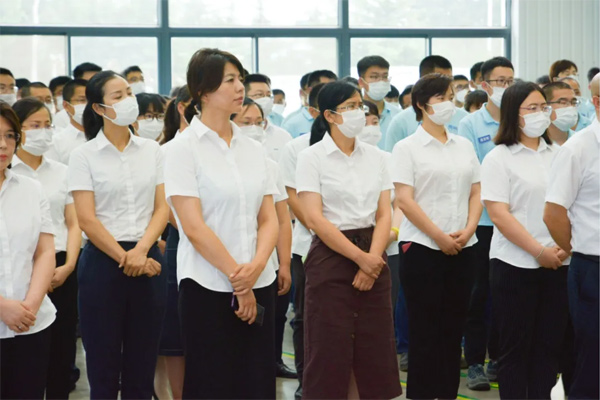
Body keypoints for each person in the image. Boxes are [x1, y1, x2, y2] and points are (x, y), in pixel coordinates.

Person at [164, 48, 279, 399]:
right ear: (202, 91)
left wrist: (256, 267)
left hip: (260, 281)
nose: (240, 87)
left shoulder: (253, 149)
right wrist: (238, 281)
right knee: (211, 384)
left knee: (257, 383)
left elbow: (269, 218)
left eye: (240, 79)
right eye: (229, 80)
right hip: (207, 286)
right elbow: (193, 227)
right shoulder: (182, 149)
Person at [296, 80, 401, 399]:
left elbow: (384, 213)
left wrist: (373, 259)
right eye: (351, 106)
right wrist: (361, 259)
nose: (359, 112)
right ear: (329, 115)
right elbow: (314, 219)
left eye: (360, 106)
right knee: (330, 344)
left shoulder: (378, 157)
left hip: (374, 247)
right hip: (332, 253)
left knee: (374, 345)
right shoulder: (312, 157)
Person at [68, 70, 168, 399]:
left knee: (143, 363)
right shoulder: (83, 155)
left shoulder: (152, 151)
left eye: (129, 92)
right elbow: (87, 218)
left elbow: (162, 208)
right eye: (118, 95)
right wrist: (128, 258)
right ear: (99, 108)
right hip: (102, 262)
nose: (129, 100)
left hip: (148, 257)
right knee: (103, 364)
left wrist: (142, 251)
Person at [391, 73, 482, 399]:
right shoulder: (407, 148)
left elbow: (476, 191)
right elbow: (404, 200)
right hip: (422, 248)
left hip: (464, 246)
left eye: (450, 97)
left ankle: (447, 394)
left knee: (453, 330)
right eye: (441, 98)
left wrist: (469, 229)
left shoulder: (463, 145)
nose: (448, 104)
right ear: (421, 104)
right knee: (424, 332)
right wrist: (439, 236)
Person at [481, 81, 569, 399]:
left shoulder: (559, 154)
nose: (540, 113)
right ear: (513, 114)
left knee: (549, 346)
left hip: (560, 262)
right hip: (514, 263)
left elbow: (572, 205)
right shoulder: (499, 158)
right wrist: (538, 251)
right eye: (532, 108)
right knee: (515, 349)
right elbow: (499, 214)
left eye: (544, 107)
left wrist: (563, 248)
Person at [11, 98, 82, 399]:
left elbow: (74, 223)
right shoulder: (10, 172)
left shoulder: (61, 171)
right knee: (23, 351)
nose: (43, 131)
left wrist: (68, 266)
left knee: (62, 347)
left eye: (48, 125)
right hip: (19, 266)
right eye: (35, 126)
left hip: (61, 266)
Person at [458, 55, 514, 390]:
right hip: (482, 223)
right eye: (499, 81)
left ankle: (500, 358)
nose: (506, 86)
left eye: (510, 80)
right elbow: (474, 174)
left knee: (507, 294)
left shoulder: (520, 119)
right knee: (478, 294)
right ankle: (476, 361)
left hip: (514, 223)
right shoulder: (470, 124)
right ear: (485, 85)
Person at [230, 97, 295, 380]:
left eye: (259, 122)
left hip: (264, 267)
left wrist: (284, 264)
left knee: (259, 346)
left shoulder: (269, 165)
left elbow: (281, 219)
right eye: (246, 122)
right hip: (223, 268)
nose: (254, 128)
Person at [544, 72, 600, 400]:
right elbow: (553, 213)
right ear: (597, 102)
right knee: (592, 361)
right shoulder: (578, 149)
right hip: (592, 267)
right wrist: (577, 248)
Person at [0, 101, 57, 399]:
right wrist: (2, 306)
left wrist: (30, 306)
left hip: (32, 324)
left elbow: (45, 251)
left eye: (10, 136)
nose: (3, 144)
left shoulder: (31, 189)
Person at [278, 81, 325, 400]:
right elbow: (292, 197)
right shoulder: (297, 148)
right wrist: (320, 229)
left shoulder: (365, 149)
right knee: (306, 318)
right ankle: (307, 383)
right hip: (308, 245)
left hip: (355, 246)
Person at [360, 100, 407, 371]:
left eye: (375, 122)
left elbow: (399, 202)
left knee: (385, 310)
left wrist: (392, 232)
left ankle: (380, 368)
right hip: (353, 247)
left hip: (389, 245)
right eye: (364, 122)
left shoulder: (389, 159)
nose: (370, 127)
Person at [385, 55, 469, 151]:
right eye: (439, 80)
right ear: (423, 79)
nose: (446, 84)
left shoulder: (464, 118)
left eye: (449, 79)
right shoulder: (401, 121)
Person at [357, 55, 400, 149]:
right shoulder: (354, 114)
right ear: (361, 82)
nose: (381, 81)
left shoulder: (399, 115)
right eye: (374, 77)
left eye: (385, 77)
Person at [282, 70, 337, 137]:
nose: (330, 93)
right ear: (310, 90)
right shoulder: (291, 125)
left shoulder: (340, 119)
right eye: (324, 88)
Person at [45, 79, 88, 165]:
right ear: (66, 105)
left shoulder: (106, 136)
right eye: (82, 100)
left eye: (92, 100)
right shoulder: (56, 143)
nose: (88, 105)